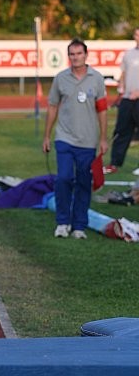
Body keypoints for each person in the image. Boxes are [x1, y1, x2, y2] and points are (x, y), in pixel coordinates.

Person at [42, 38, 108, 239]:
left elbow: (103, 110)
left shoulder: (97, 78)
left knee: (83, 182)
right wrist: (46, 135)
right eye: (72, 54)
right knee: (63, 178)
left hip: (88, 141)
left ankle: (79, 225)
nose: (76, 57)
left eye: (79, 53)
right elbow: (53, 106)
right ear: (68, 56)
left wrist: (103, 138)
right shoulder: (60, 78)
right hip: (64, 138)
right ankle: (62, 222)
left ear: (86, 55)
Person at [104, 28, 139, 174]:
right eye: (137, 35)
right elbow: (124, 72)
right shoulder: (128, 54)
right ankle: (114, 164)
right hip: (127, 98)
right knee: (121, 131)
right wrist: (121, 86)